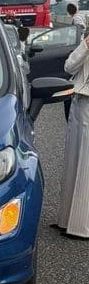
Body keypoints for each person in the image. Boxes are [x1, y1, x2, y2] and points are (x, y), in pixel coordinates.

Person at [56, 35, 89, 239]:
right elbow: (69, 67)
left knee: (86, 164)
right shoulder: (85, 44)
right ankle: (67, 219)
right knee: (73, 160)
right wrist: (85, 46)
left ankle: (82, 225)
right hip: (78, 101)